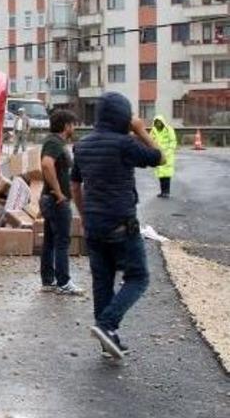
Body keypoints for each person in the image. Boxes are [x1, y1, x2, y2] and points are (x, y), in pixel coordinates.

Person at [71, 92, 164, 359]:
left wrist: (84, 216)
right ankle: (106, 325)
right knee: (138, 277)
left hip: (94, 225)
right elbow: (160, 157)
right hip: (121, 224)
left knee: (102, 282)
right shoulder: (125, 144)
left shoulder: (83, 145)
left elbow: (75, 185)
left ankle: (108, 342)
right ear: (123, 115)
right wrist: (140, 130)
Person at [39, 110, 83, 295]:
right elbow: (47, 164)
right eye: (73, 124)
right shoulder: (54, 142)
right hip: (56, 200)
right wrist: (59, 193)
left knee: (50, 241)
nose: (74, 127)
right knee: (62, 241)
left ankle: (48, 281)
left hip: (51, 199)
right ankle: (64, 283)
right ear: (66, 125)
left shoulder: (56, 142)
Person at [150, 116, 177, 198]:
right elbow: (150, 141)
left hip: (168, 155)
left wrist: (169, 151)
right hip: (159, 155)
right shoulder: (153, 131)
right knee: (161, 175)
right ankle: (162, 192)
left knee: (167, 175)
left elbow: (173, 141)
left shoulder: (169, 129)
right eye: (156, 122)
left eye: (159, 122)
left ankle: (167, 192)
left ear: (162, 122)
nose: (158, 124)